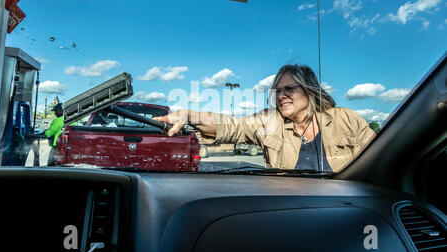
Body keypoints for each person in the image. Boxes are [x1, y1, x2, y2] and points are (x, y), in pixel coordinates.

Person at [153, 64, 376, 172]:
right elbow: (234, 126)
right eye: (277, 91)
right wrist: (189, 115)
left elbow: (380, 161)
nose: (281, 96)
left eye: (289, 89)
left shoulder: (347, 119)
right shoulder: (269, 121)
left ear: (309, 90)